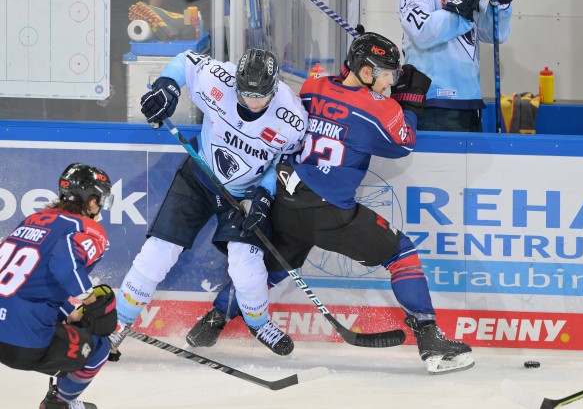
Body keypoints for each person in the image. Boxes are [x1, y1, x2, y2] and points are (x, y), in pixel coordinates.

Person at [187, 32, 474, 374]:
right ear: (366, 72)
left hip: (287, 199)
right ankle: (430, 339)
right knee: (401, 252)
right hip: (329, 211)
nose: (391, 80)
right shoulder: (380, 109)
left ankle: (213, 321)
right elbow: (404, 143)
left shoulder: (313, 85)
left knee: (272, 269)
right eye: (387, 73)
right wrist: (409, 102)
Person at [108, 48, 308, 360]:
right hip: (200, 175)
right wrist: (166, 87)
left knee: (245, 266)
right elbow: (184, 61)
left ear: (275, 88)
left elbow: (285, 163)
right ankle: (118, 325)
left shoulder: (292, 117)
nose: (253, 103)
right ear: (236, 84)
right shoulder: (219, 78)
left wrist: (264, 196)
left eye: (262, 96)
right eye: (246, 95)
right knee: (158, 252)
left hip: (244, 195)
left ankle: (259, 322)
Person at [0, 163, 117, 409]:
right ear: (92, 201)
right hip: (24, 344)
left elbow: (28, 281)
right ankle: (60, 403)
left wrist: (71, 313)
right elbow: (65, 265)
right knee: (99, 349)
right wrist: (91, 302)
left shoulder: (34, 219)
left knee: (72, 322)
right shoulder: (89, 229)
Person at [398, 0, 515, 132]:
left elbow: (493, 33)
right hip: (434, 103)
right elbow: (422, 31)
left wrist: (500, 5)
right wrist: (462, 5)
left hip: (470, 101)